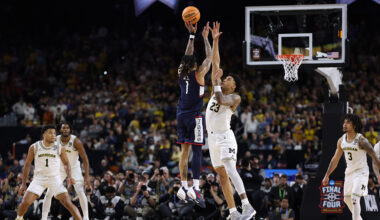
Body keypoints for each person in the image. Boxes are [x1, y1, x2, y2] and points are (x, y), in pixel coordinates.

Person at [205, 21, 255, 220]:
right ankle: (234, 212)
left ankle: (247, 205)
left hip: (226, 137)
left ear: (233, 87)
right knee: (222, 176)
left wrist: (217, 82)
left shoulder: (234, 98)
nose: (225, 79)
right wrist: (215, 41)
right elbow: (216, 64)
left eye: (228, 80)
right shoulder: (215, 86)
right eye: (224, 79)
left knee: (230, 168)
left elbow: (220, 99)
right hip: (212, 139)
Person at [176, 20, 212, 208]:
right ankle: (195, 187)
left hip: (181, 114)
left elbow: (186, 56)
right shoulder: (199, 73)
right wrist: (206, 39)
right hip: (195, 116)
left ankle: (183, 187)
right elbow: (211, 57)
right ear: (196, 65)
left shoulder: (181, 72)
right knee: (197, 150)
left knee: (184, 152)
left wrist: (192, 35)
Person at [16, 125, 82, 220]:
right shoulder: (34, 147)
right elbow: (27, 166)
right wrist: (23, 184)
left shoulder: (59, 148)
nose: (53, 135)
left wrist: (70, 176)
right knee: (25, 202)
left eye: (54, 133)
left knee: (68, 204)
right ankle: (19, 218)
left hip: (54, 178)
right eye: (50, 133)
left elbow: (67, 164)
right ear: (44, 135)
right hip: (39, 179)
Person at [322, 114, 380, 220]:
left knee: (354, 198)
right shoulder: (341, 141)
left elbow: (374, 156)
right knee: (347, 199)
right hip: (349, 173)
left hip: (361, 172)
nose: (344, 124)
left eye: (348, 122)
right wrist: (326, 175)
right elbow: (335, 159)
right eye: (344, 122)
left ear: (354, 125)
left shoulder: (361, 140)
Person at [42, 122, 91, 220]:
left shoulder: (76, 141)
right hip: (60, 168)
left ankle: (86, 217)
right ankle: (43, 218)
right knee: (48, 193)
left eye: (67, 128)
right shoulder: (55, 140)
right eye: (63, 128)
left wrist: (87, 178)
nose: (65, 129)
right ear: (60, 130)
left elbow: (85, 160)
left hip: (74, 168)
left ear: (70, 130)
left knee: (80, 191)